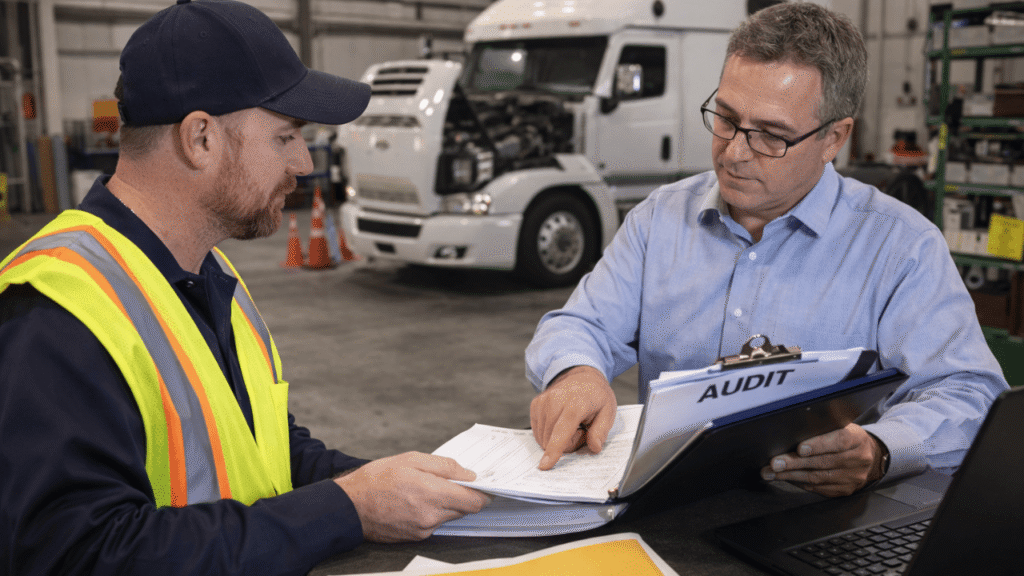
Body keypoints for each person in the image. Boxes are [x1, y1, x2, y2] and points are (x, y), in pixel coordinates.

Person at [0, 1, 489, 574]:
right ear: (200, 138)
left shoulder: (205, 272)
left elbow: (264, 450)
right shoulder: (58, 311)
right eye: (285, 137)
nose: (305, 162)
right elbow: (75, 554)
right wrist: (346, 509)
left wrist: (384, 482)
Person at [526, 2, 1008, 498]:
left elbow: (968, 392)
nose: (734, 152)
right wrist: (575, 374)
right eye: (726, 119)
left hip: (823, 518)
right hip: (668, 507)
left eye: (771, 136)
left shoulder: (900, 247)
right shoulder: (659, 220)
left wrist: (880, 449)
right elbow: (579, 324)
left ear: (834, 138)